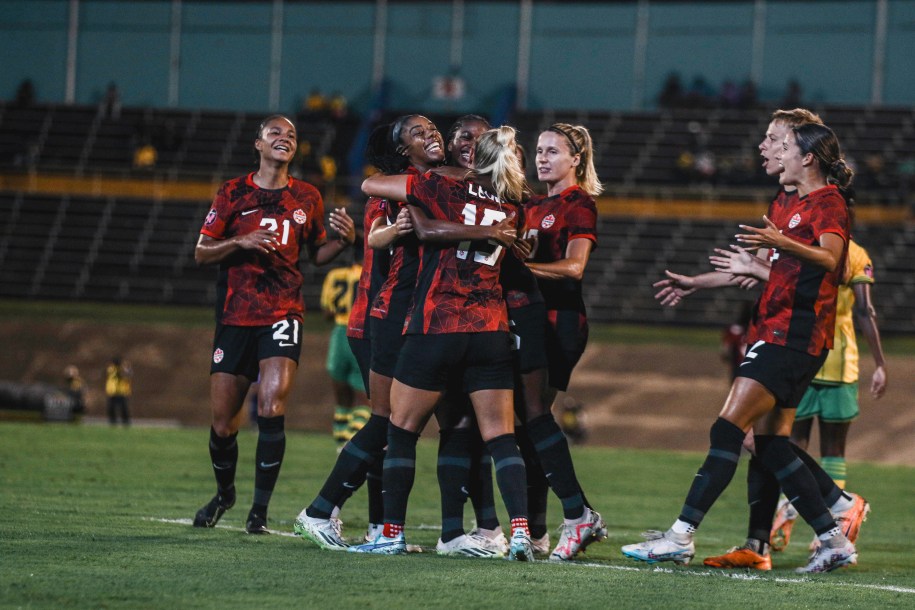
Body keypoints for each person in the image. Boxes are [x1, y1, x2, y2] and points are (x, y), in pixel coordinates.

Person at [623, 121, 860, 574]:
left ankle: (680, 536)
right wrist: (698, 282)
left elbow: (833, 260)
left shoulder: (828, 202)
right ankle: (833, 539)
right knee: (770, 443)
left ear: (807, 157)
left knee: (728, 430)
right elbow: (758, 270)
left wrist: (779, 241)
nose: (770, 149)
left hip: (793, 335)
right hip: (778, 329)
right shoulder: (787, 202)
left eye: (782, 144)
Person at [348, 126, 535, 560]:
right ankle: (521, 533)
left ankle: (391, 533)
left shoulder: (438, 186)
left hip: (436, 326)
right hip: (490, 330)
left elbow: (371, 184)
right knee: (501, 437)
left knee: (401, 429)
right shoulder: (512, 206)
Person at [192, 114, 355, 535]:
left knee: (271, 406)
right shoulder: (232, 193)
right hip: (234, 317)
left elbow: (316, 254)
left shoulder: (307, 197)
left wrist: (343, 242)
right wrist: (238, 242)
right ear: (258, 144)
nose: (285, 139)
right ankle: (225, 494)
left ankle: (258, 512)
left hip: (283, 312)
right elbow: (202, 252)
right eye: (275, 134)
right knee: (224, 423)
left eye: (292, 135)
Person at [294, 116, 446, 548]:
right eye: (418, 132)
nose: (431, 134)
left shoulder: (435, 184)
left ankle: (381, 527)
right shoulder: (390, 185)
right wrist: (392, 232)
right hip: (378, 318)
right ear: (402, 151)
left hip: (408, 319)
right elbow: (376, 235)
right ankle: (321, 510)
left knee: (396, 426)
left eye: (433, 128)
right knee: (388, 422)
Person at [513, 123, 606, 561]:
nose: (543, 157)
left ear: (577, 160)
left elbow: (574, 269)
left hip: (560, 321)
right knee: (525, 426)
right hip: (530, 319)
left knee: (533, 419)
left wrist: (518, 271)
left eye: (554, 151)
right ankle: (539, 530)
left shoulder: (578, 203)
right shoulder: (530, 204)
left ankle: (576, 515)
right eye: (539, 149)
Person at [768, 235, 886, 552]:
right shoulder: (857, 254)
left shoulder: (803, 245)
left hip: (802, 352)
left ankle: (787, 510)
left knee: (789, 445)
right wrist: (880, 362)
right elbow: (865, 310)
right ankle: (831, 526)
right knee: (833, 450)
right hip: (838, 360)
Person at [319, 249, 369, 450]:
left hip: (339, 335)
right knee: (365, 400)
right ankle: (353, 446)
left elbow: (326, 311)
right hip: (360, 334)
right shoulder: (370, 276)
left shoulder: (335, 275)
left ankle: (340, 444)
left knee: (342, 400)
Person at [105, 356, 132, 425]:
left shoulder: (123, 369)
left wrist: (126, 367)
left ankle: (125, 422)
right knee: (111, 408)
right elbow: (115, 374)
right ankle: (112, 421)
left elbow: (128, 374)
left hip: (121, 392)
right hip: (112, 392)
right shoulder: (111, 369)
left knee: (124, 408)